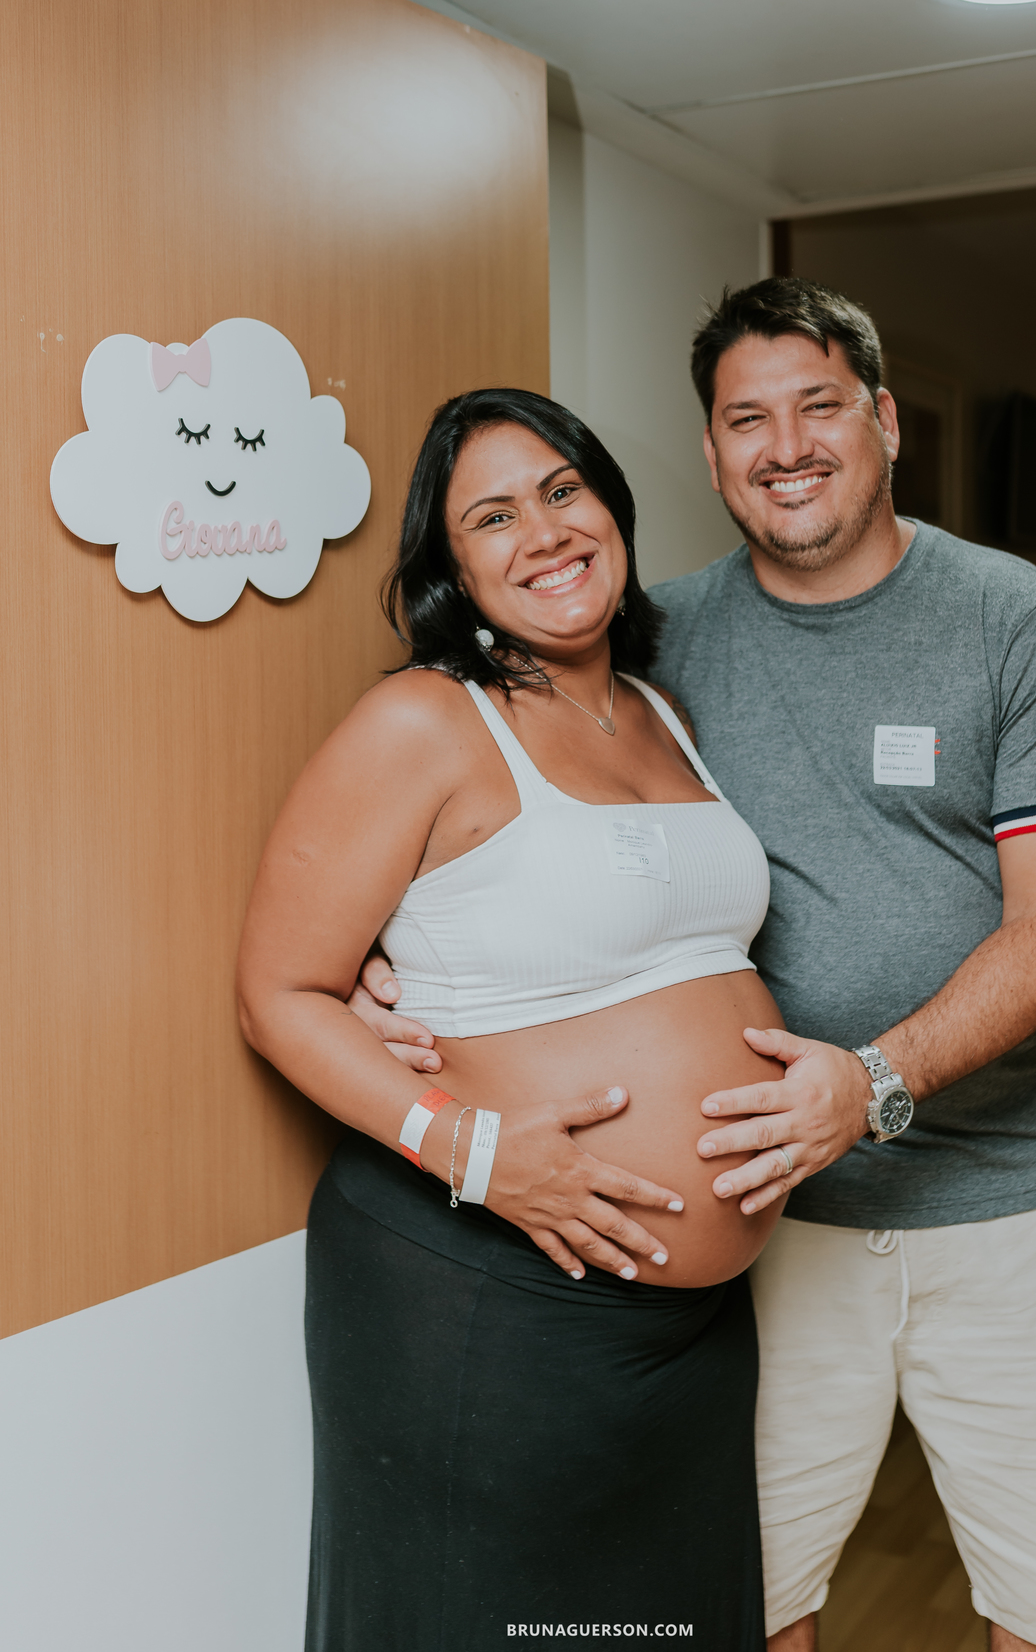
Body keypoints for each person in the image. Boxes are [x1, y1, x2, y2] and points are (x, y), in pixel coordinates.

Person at [355, 279, 1036, 1652]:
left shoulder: (1021, 624)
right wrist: (385, 948)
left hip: (999, 1197)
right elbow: (508, 816)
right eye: (746, 419)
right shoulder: (653, 644)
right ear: (710, 452)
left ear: (886, 421)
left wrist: (874, 1081)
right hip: (761, 1220)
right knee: (750, 1596)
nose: (786, 446)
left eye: (820, 405)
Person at [236, 387, 791, 1651]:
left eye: (561, 489)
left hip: (691, 1323)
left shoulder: (662, 716)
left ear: (611, 505)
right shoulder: (422, 720)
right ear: (453, 567)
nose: (542, 531)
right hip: (488, 1287)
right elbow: (281, 994)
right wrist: (484, 1157)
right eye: (492, 515)